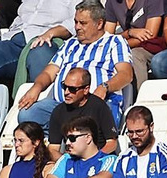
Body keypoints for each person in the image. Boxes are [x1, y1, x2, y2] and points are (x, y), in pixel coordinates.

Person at [16, 0, 134, 129]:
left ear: (99, 23)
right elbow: (48, 73)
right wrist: (37, 87)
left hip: (97, 104)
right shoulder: (70, 44)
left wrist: (104, 87)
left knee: (92, 120)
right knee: (27, 114)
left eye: (83, 23)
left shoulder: (114, 42)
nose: (77, 27)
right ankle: (57, 139)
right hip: (63, 105)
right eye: (76, 22)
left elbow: (126, 74)